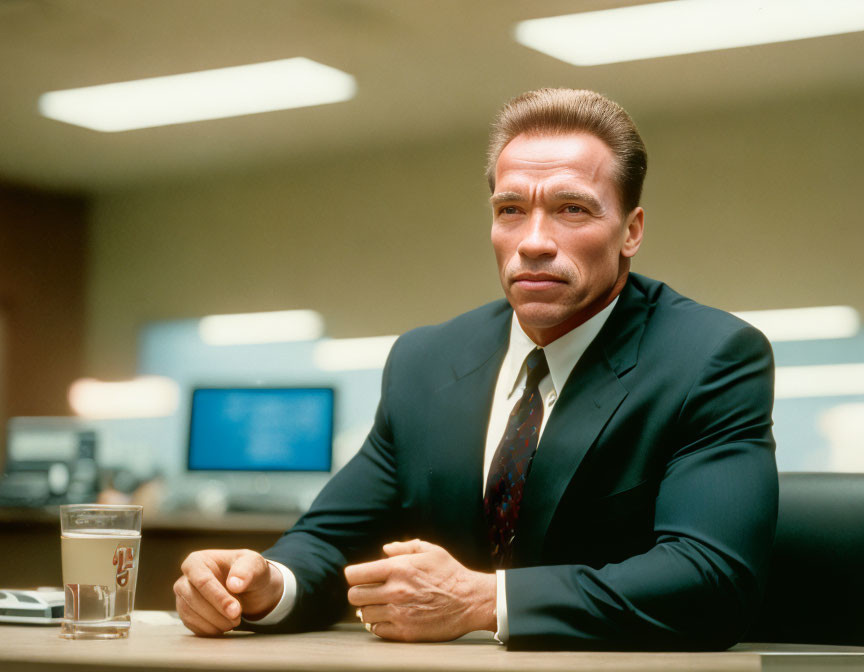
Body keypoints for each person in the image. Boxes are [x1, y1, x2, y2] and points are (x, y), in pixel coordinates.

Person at [173, 88, 778, 650]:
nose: (534, 241)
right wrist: (264, 584)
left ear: (631, 232)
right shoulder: (426, 361)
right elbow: (332, 540)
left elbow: (713, 577)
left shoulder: (711, 357)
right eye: (511, 209)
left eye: (572, 209)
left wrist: (487, 600)